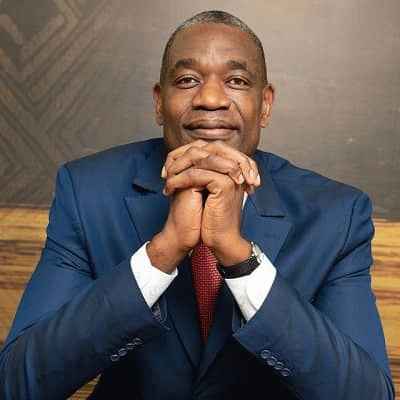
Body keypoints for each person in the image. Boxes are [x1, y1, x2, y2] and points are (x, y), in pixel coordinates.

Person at [0, 10, 395, 400]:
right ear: (159, 102)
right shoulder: (87, 192)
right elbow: (17, 383)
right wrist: (162, 252)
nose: (210, 99)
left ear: (265, 104)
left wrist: (239, 259)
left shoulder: (337, 215)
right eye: (187, 80)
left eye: (236, 81)